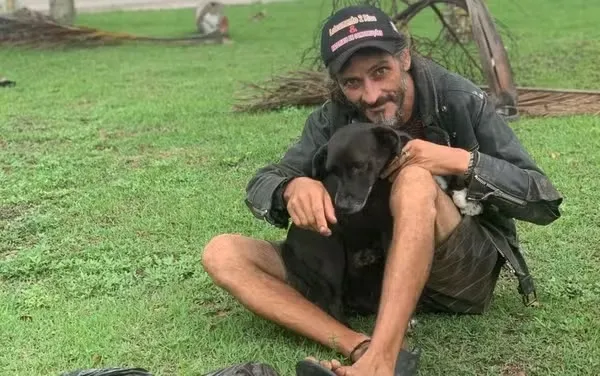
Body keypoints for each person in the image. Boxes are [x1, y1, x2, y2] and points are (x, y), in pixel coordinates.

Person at [201, 5, 563, 376]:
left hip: (456, 275)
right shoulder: (333, 119)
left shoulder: (458, 98)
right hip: (365, 274)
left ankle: (382, 364)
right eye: (353, 82)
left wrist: (458, 161)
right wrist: (292, 186)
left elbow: (544, 200)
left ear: (404, 57)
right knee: (223, 253)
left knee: (414, 178)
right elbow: (264, 181)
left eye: (380, 72)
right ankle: (358, 344)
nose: (371, 95)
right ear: (339, 84)